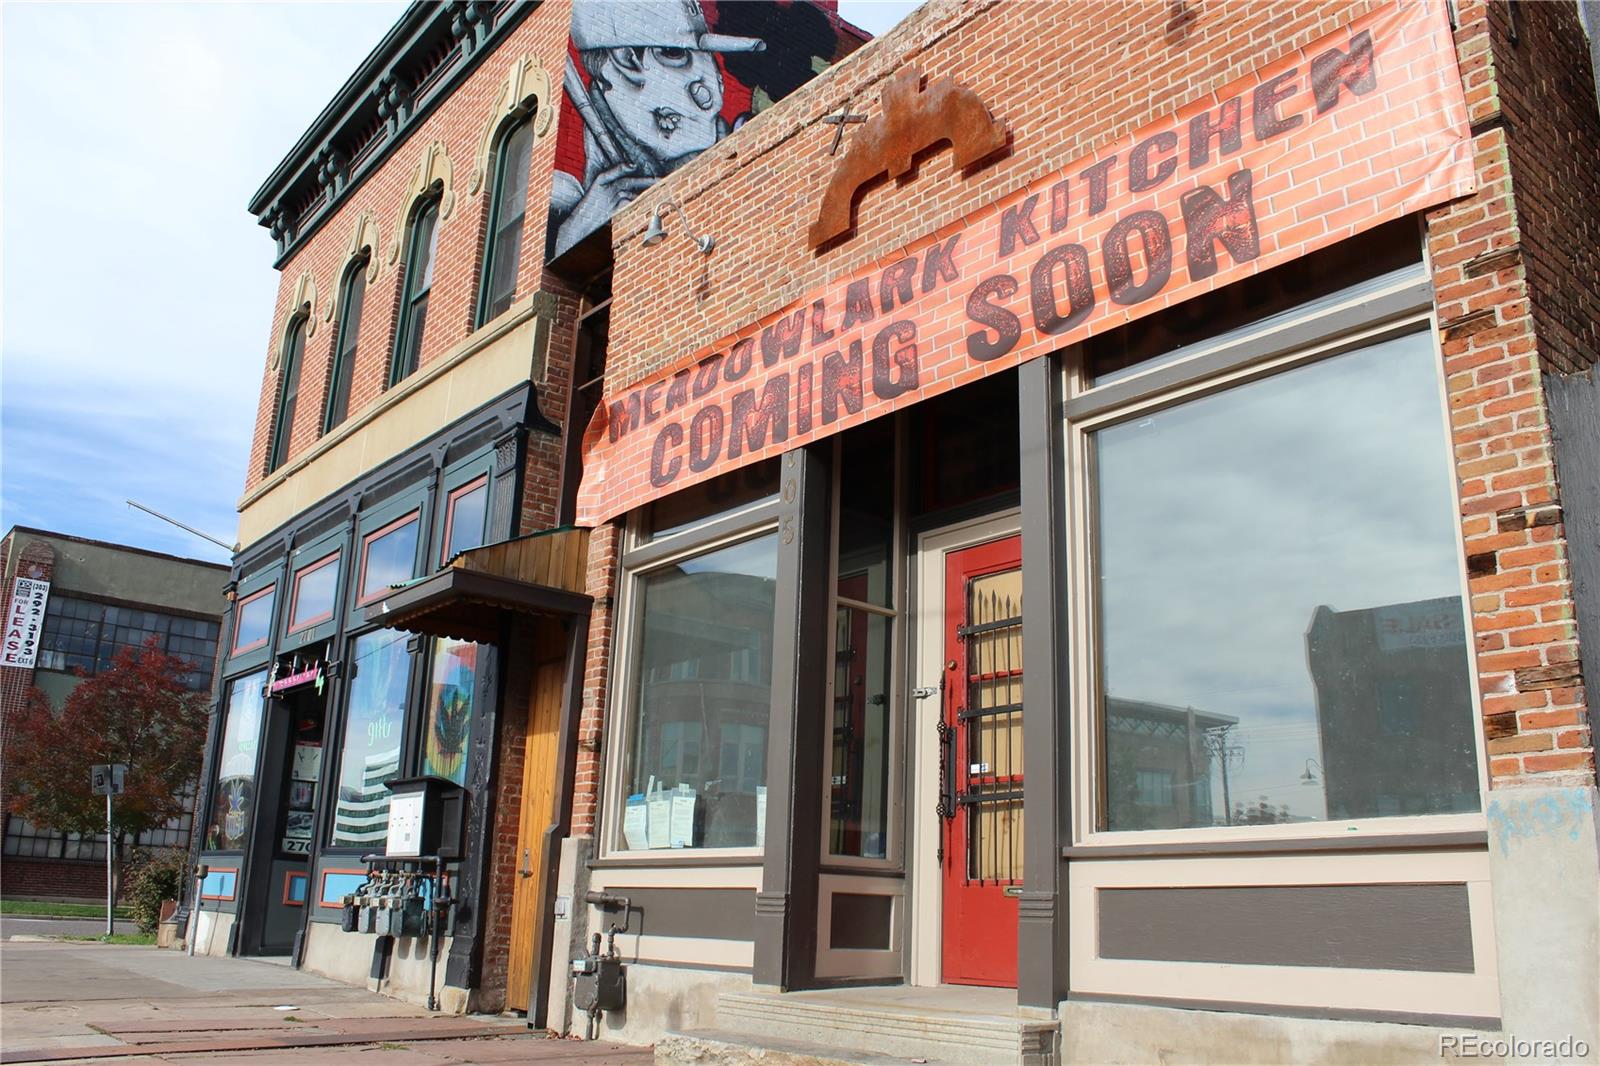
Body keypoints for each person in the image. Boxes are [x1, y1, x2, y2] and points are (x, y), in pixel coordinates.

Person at [551, 0, 765, 257]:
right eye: (675, 55)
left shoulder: (749, 150)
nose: (707, 94)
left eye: (706, 56)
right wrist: (575, 233)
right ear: (625, 61)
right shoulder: (565, 196)